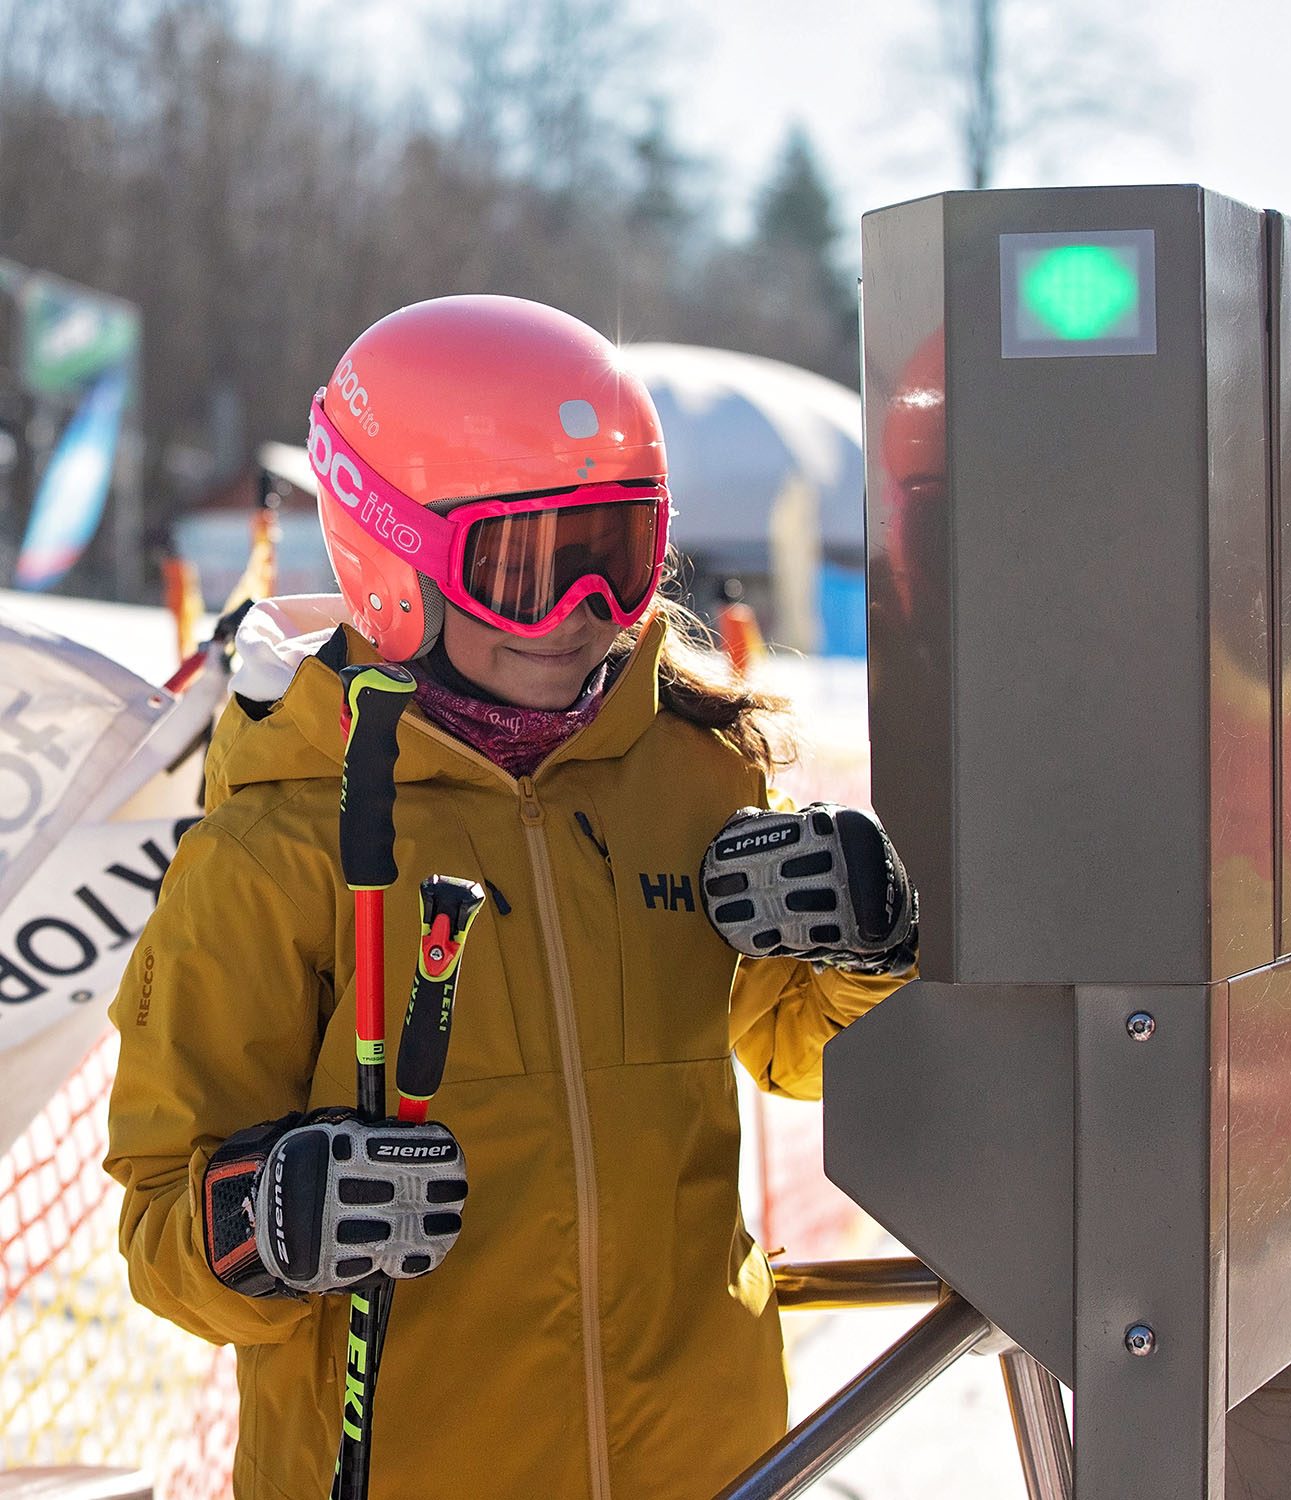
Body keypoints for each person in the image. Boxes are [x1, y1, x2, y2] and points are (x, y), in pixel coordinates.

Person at [104, 297, 918, 1500]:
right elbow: (164, 1231)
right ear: (390, 553)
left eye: (618, 560)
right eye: (528, 569)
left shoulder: (696, 768)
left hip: (712, 1464)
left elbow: (793, 1051)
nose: (580, 620)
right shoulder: (283, 843)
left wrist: (867, 946)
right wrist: (266, 1220)